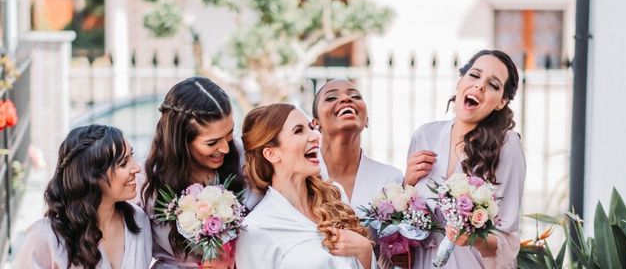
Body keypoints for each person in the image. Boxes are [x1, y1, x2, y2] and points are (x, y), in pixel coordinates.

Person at [404, 49, 526, 269]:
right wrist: (407, 183)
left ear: (501, 102)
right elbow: (407, 219)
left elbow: (506, 239)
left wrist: (472, 237)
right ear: (460, 80)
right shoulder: (424, 136)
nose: (479, 86)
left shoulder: (507, 145)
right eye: (474, 75)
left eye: (493, 85)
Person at [236, 103, 375, 269]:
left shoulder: (334, 196)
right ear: (271, 153)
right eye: (298, 130)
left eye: (310, 127)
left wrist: (365, 250)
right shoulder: (256, 228)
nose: (315, 135)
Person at [142, 76, 251, 269]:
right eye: (212, 142)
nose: (226, 148)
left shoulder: (245, 160)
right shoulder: (147, 179)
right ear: (181, 142)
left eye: (229, 134)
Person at [14, 124, 151, 269]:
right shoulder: (45, 237)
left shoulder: (138, 220)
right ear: (91, 177)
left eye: (132, 156)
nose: (137, 168)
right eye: (123, 163)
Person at [312, 79, 403, 214]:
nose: (346, 98)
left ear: (366, 119)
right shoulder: (301, 176)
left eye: (355, 96)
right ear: (315, 123)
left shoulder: (390, 180)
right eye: (331, 98)